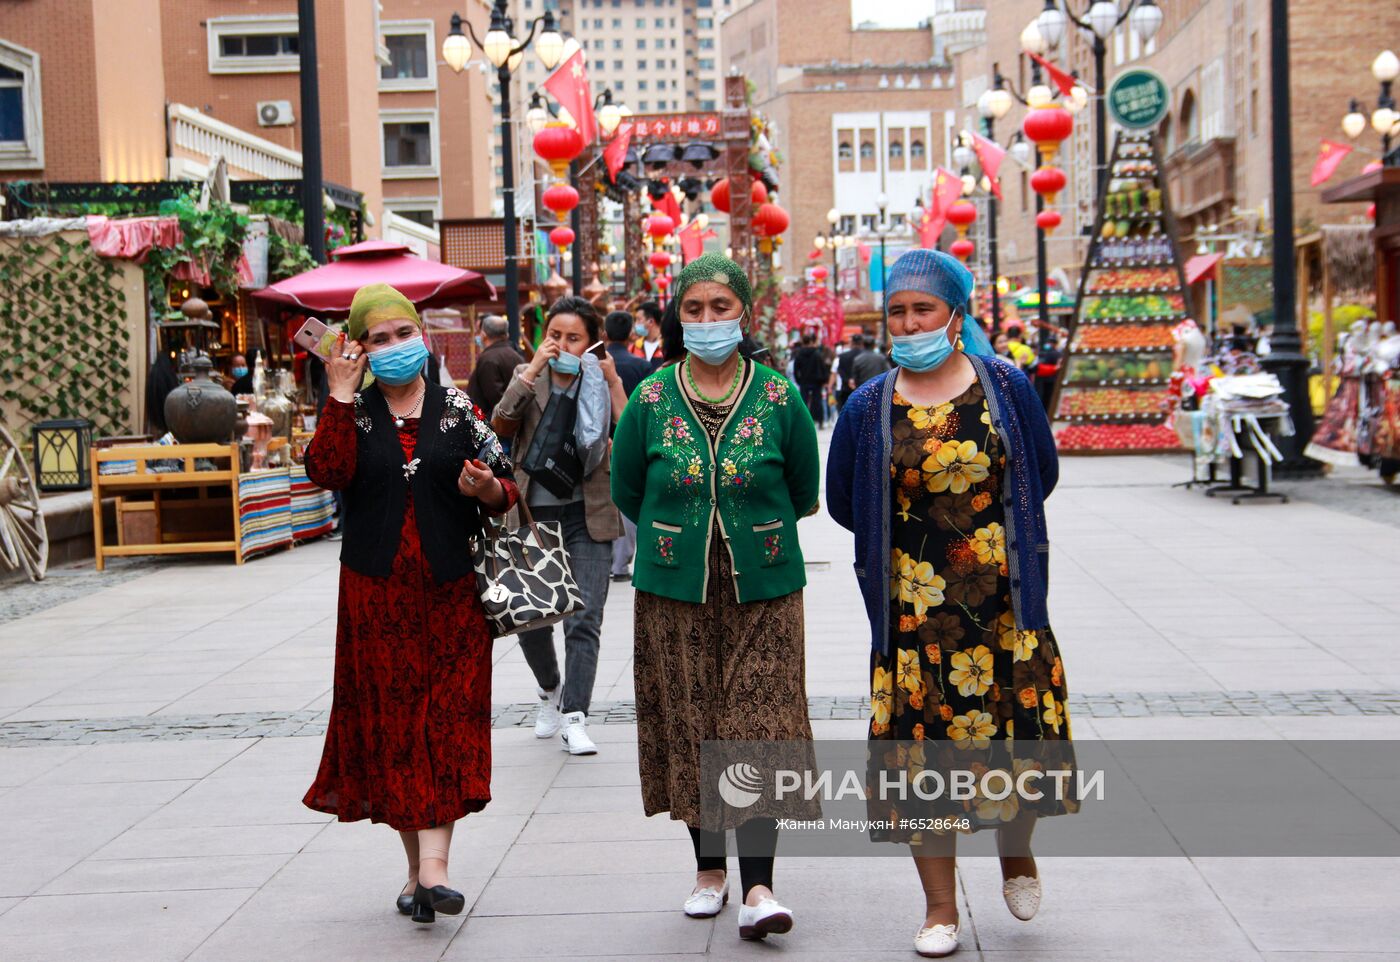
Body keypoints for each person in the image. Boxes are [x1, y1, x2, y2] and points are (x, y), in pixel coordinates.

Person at [827, 250, 1073, 959]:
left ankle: (1016, 853)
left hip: (1005, 605)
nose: (908, 323)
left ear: (955, 315)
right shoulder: (869, 402)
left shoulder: (1006, 385)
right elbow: (845, 499)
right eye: (897, 312)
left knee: (1016, 746)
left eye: (922, 310)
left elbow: (1040, 470)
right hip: (915, 613)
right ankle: (939, 908)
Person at [611, 252, 820, 944]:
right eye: (693, 310)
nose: (706, 321)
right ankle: (709, 871)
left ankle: (759, 885)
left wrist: (747, 528)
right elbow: (628, 491)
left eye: (719, 308)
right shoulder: (649, 400)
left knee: (759, 721)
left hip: (764, 586)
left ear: (744, 316)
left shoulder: (779, 395)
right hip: (675, 587)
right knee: (693, 720)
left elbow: (802, 490)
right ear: (678, 316)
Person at [302, 283, 518, 926]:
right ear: (360, 348)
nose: (395, 347)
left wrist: (486, 489)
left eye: (403, 334)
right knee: (397, 731)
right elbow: (327, 473)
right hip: (375, 598)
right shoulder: (353, 411)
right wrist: (339, 395)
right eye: (379, 338)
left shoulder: (458, 409)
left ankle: (435, 869)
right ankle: (416, 870)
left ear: (419, 337)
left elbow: (508, 485)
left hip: (452, 596)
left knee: (445, 722)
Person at [493, 296, 630, 755]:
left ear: (593, 343)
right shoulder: (528, 377)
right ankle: (550, 689)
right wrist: (531, 370)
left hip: (588, 512)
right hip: (534, 513)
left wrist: (611, 380)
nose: (562, 344)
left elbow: (630, 431)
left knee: (585, 618)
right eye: (555, 335)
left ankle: (575, 715)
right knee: (531, 618)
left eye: (574, 337)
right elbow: (500, 425)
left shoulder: (599, 377)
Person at [604, 310, 652, 580]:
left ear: (605, 335)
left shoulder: (595, 365)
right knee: (628, 501)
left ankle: (608, 558)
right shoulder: (642, 366)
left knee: (606, 498)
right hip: (633, 438)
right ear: (631, 334)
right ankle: (620, 563)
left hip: (602, 441)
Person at [466, 313, 525, 420]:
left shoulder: (488, 359)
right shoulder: (516, 356)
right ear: (506, 335)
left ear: (483, 335)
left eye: (478, 332)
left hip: (493, 425)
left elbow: (495, 398)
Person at [791, 329, 829, 428]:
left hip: (804, 381)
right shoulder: (817, 353)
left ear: (803, 342)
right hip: (816, 381)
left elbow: (796, 369)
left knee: (804, 401)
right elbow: (822, 367)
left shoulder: (799, 354)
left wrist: (799, 380)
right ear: (811, 342)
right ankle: (819, 421)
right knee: (817, 401)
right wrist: (824, 380)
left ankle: (804, 422)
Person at [638, 300, 666, 369]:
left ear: (651, 321)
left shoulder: (667, 346)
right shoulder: (634, 347)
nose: (636, 324)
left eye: (638, 319)